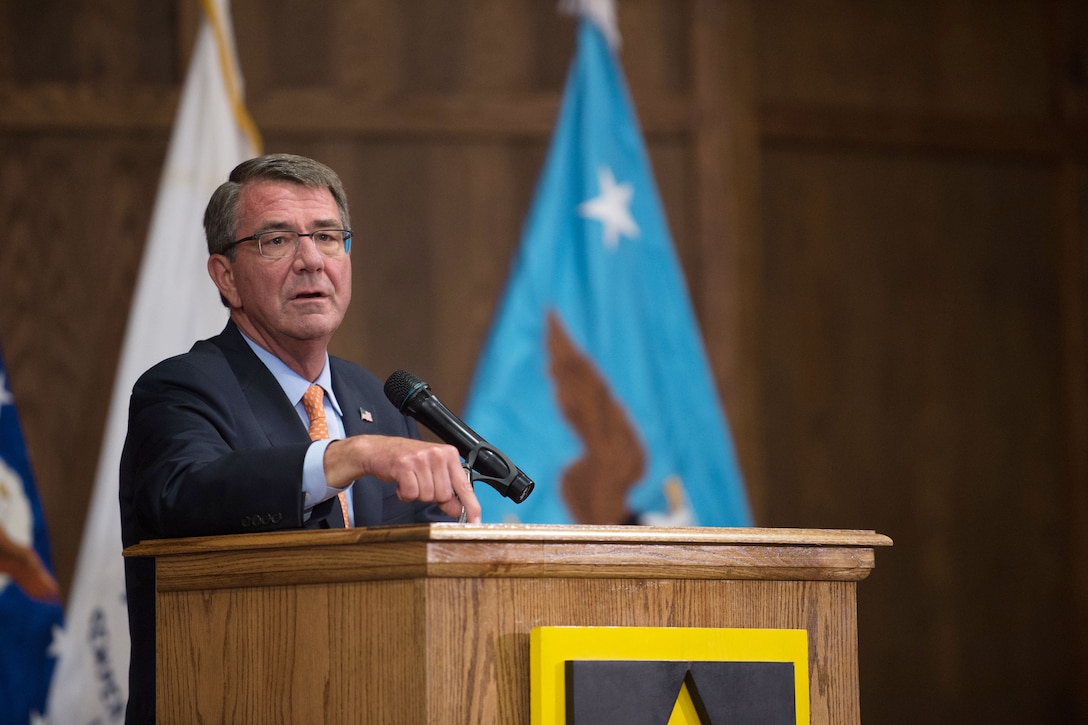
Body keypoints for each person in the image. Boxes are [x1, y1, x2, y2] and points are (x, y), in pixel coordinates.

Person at [118, 153, 481, 724]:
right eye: (276, 241)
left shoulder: (378, 401)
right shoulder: (181, 388)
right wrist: (348, 456)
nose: (312, 260)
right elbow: (182, 495)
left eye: (328, 237)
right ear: (226, 276)